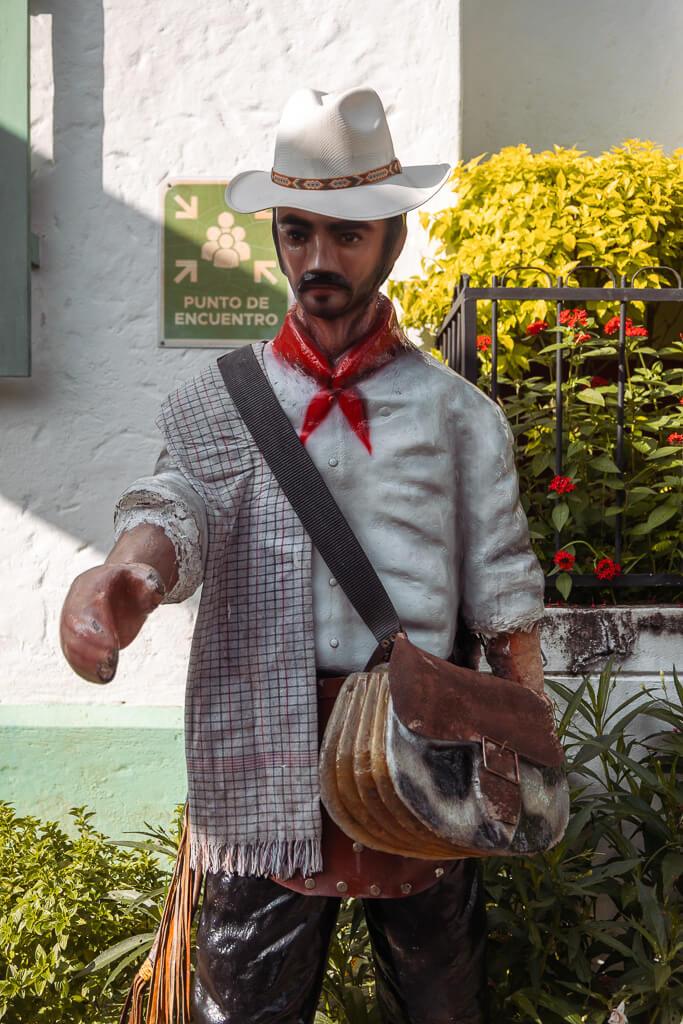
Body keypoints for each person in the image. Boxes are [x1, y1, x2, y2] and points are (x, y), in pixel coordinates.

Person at [60, 86, 546, 1024]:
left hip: (424, 739)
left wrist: (527, 746)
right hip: (266, 746)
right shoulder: (222, 398)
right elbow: (179, 503)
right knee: (244, 1002)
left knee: (442, 1000)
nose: (317, 259)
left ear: (392, 238)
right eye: (295, 232)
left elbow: (503, 596)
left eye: (345, 235)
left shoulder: (458, 416)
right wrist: (129, 573)